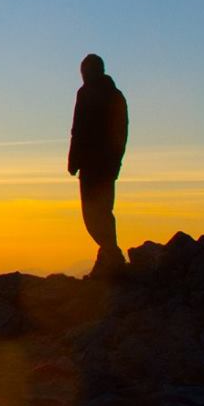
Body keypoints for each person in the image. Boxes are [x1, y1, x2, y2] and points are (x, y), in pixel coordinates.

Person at [68, 53, 129, 274]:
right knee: (99, 211)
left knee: (96, 212)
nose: (83, 76)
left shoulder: (98, 95)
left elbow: (80, 130)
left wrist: (74, 160)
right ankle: (109, 255)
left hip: (97, 165)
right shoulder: (109, 95)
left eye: (85, 72)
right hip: (98, 164)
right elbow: (79, 130)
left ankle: (112, 256)